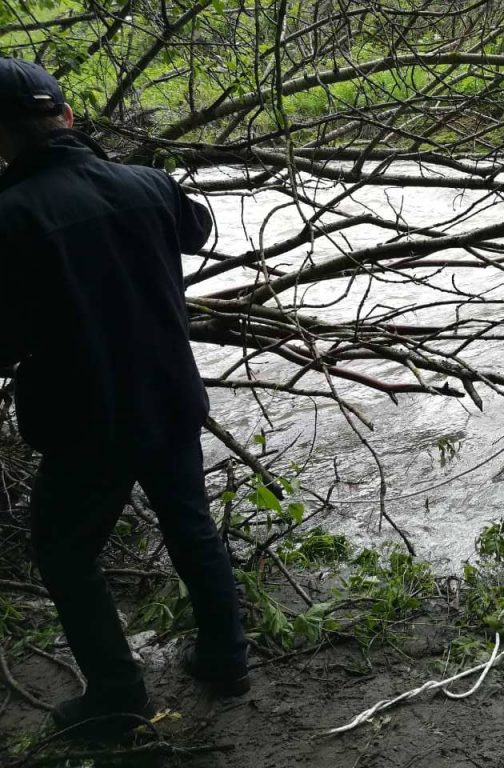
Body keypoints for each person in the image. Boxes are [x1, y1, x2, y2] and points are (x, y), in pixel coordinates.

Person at [0, 58, 249, 737]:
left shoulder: (9, 216)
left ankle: (116, 695)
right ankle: (226, 659)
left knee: (64, 553)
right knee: (191, 527)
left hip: (85, 420)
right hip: (170, 395)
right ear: (67, 117)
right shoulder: (148, 184)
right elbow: (196, 230)